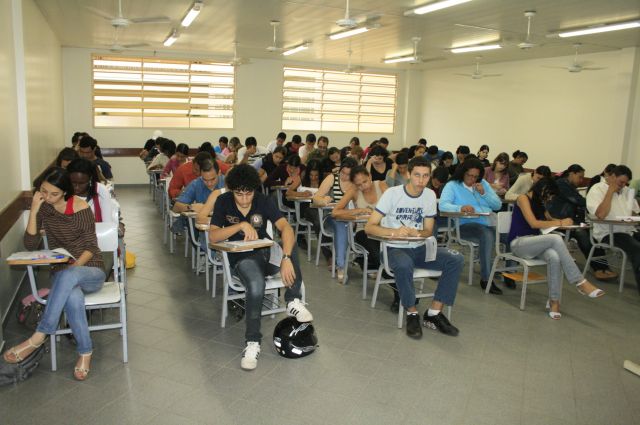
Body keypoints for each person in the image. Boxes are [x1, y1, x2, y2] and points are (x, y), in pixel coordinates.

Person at [3, 167, 105, 381]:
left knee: (69, 276)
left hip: (90, 269)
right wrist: (34, 210)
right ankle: (85, 352)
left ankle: (39, 336)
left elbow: (91, 247)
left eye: (54, 194)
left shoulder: (81, 207)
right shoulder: (44, 208)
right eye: (43, 191)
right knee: (73, 295)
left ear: (65, 192)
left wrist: (73, 268)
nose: (47, 197)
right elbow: (30, 244)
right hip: (62, 274)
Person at [209, 164, 313, 370]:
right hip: (242, 259)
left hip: (267, 254)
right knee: (256, 286)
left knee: (289, 245)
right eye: (239, 194)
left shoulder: (263, 200)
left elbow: (285, 227)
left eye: (248, 194)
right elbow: (213, 236)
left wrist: (286, 257)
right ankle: (252, 342)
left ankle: (292, 300)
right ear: (231, 190)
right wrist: (240, 225)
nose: (244, 199)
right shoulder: (223, 201)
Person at [365, 156, 464, 338]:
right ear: (408, 174)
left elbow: (428, 230)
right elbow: (369, 227)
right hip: (394, 248)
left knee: (456, 259)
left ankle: (434, 313)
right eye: (417, 175)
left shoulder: (430, 195)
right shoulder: (392, 194)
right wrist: (394, 232)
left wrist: (417, 233)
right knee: (404, 264)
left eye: (426, 176)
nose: (421, 180)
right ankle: (412, 312)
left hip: (420, 248)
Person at [509, 178, 605, 319]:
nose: (549, 199)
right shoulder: (523, 198)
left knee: (554, 257)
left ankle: (554, 301)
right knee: (555, 238)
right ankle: (580, 281)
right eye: (549, 195)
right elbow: (534, 223)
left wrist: (566, 222)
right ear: (542, 190)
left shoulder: (540, 203)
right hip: (519, 243)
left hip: (535, 244)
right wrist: (560, 222)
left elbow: (549, 220)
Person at [439, 158, 503, 294]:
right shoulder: (453, 185)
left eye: (475, 176)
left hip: (489, 222)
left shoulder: (483, 184)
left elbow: (497, 205)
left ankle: (510, 273)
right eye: (469, 175)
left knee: (509, 235)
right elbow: (443, 205)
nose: (472, 179)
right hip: (464, 225)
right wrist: (460, 207)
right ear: (463, 172)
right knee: (487, 235)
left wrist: (484, 193)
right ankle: (486, 279)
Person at [547, 164, 617, 281]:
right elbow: (578, 200)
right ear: (572, 173)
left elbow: (579, 202)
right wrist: (593, 204)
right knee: (583, 234)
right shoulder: (561, 184)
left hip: (570, 220)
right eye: (580, 177)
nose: (581, 180)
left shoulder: (569, 186)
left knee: (591, 235)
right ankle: (599, 269)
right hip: (557, 220)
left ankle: (603, 267)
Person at [587, 165, 640, 294]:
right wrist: (610, 191)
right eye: (621, 182)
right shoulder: (597, 189)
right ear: (612, 176)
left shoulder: (626, 190)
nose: (623, 185)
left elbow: (635, 213)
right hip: (609, 232)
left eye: (625, 183)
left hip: (629, 230)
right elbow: (601, 214)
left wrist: (633, 215)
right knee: (637, 250)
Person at [332, 166, 388, 282]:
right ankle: (391, 276)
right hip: (364, 231)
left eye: (365, 181)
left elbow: (395, 204)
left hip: (384, 230)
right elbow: (335, 212)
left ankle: (384, 271)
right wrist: (358, 210)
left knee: (390, 251)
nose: (363, 186)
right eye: (359, 185)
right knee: (378, 253)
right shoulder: (354, 191)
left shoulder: (381, 185)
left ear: (370, 176)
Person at [67, 159, 116, 223]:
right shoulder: (63, 190)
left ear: (90, 179)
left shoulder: (100, 190)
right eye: (73, 182)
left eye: (82, 183)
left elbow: (107, 221)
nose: (77, 187)